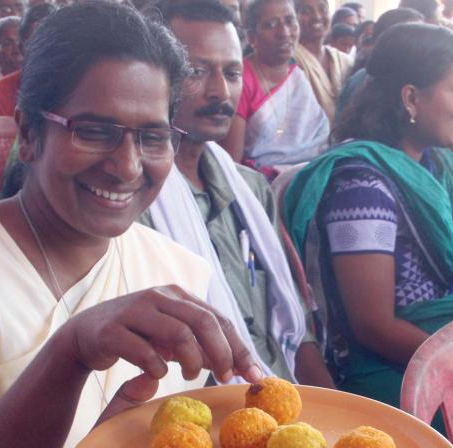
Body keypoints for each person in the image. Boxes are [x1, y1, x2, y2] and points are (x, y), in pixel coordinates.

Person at [0, 3, 263, 447]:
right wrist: (69, 354)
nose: (127, 167)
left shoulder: (173, 271)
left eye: (153, 137)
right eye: (94, 131)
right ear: (30, 135)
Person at [283, 23, 453, 413]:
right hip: (388, 370)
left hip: (443, 350)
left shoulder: (441, 170)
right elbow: (373, 326)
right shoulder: (360, 185)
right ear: (411, 98)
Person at [142, 0, 334, 388]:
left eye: (231, 72)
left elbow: (298, 334)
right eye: (196, 72)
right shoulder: (137, 204)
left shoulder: (251, 189)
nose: (219, 91)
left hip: (285, 392)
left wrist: (335, 409)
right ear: (149, 76)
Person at [220, 0, 329, 173]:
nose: (284, 33)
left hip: (311, 174)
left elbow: (320, 139)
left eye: (290, 21)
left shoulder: (297, 74)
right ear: (251, 37)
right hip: (262, 188)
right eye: (270, 25)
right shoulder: (240, 81)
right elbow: (231, 166)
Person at [335, 7, 424, 118]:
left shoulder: (421, 81)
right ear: (384, 43)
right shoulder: (362, 81)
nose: (423, 47)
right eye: (415, 39)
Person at [0, 2, 55, 117]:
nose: (44, 50)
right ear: (22, 48)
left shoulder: (81, 88)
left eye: (52, 42)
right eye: (35, 43)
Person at [294, 0, 353, 124]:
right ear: (293, 17)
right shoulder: (289, 60)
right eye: (306, 11)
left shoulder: (344, 59)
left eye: (323, 9)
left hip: (344, 140)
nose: (317, 16)